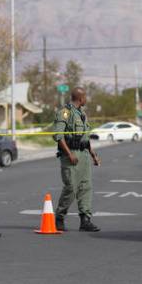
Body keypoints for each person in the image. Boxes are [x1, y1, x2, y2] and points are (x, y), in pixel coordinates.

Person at [53, 86, 101, 232]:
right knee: (71, 188)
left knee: (86, 187)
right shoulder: (65, 113)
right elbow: (58, 136)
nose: (86, 99)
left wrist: (93, 155)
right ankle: (59, 217)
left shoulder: (82, 114)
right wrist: (69, 154)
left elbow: (85, 138)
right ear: (81, 98)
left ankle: (85, 219)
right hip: (71, 155)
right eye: (85, 97)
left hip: (84, 155)